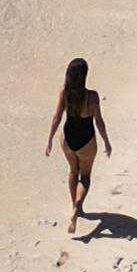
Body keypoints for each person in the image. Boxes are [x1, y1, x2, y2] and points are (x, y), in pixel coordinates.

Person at [45, 56, 110, 234]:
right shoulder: (92, 97)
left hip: (67, 140)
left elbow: (56, 118)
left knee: (74, 171)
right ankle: (76, 208)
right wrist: (106, 141)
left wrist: (50, 140)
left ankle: (75, 206)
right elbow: (99, 122)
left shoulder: (64, 94)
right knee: (86, 177)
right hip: (86, 142)